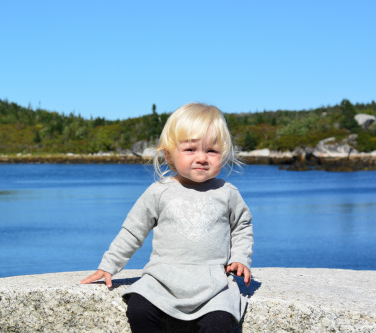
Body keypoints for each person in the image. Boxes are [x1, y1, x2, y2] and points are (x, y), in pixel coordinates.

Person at [81, 103, 253, 333]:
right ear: (169, 155)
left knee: (218, 323)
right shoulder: (159, 192)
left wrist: (240, 258)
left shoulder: (227, 193)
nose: (202, 158)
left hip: (213, 284)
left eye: (211, 151)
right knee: (139, 310)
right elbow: (133, 231)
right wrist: (109, 265)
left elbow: (241, 227)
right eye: (191, 150)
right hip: (162, 279)